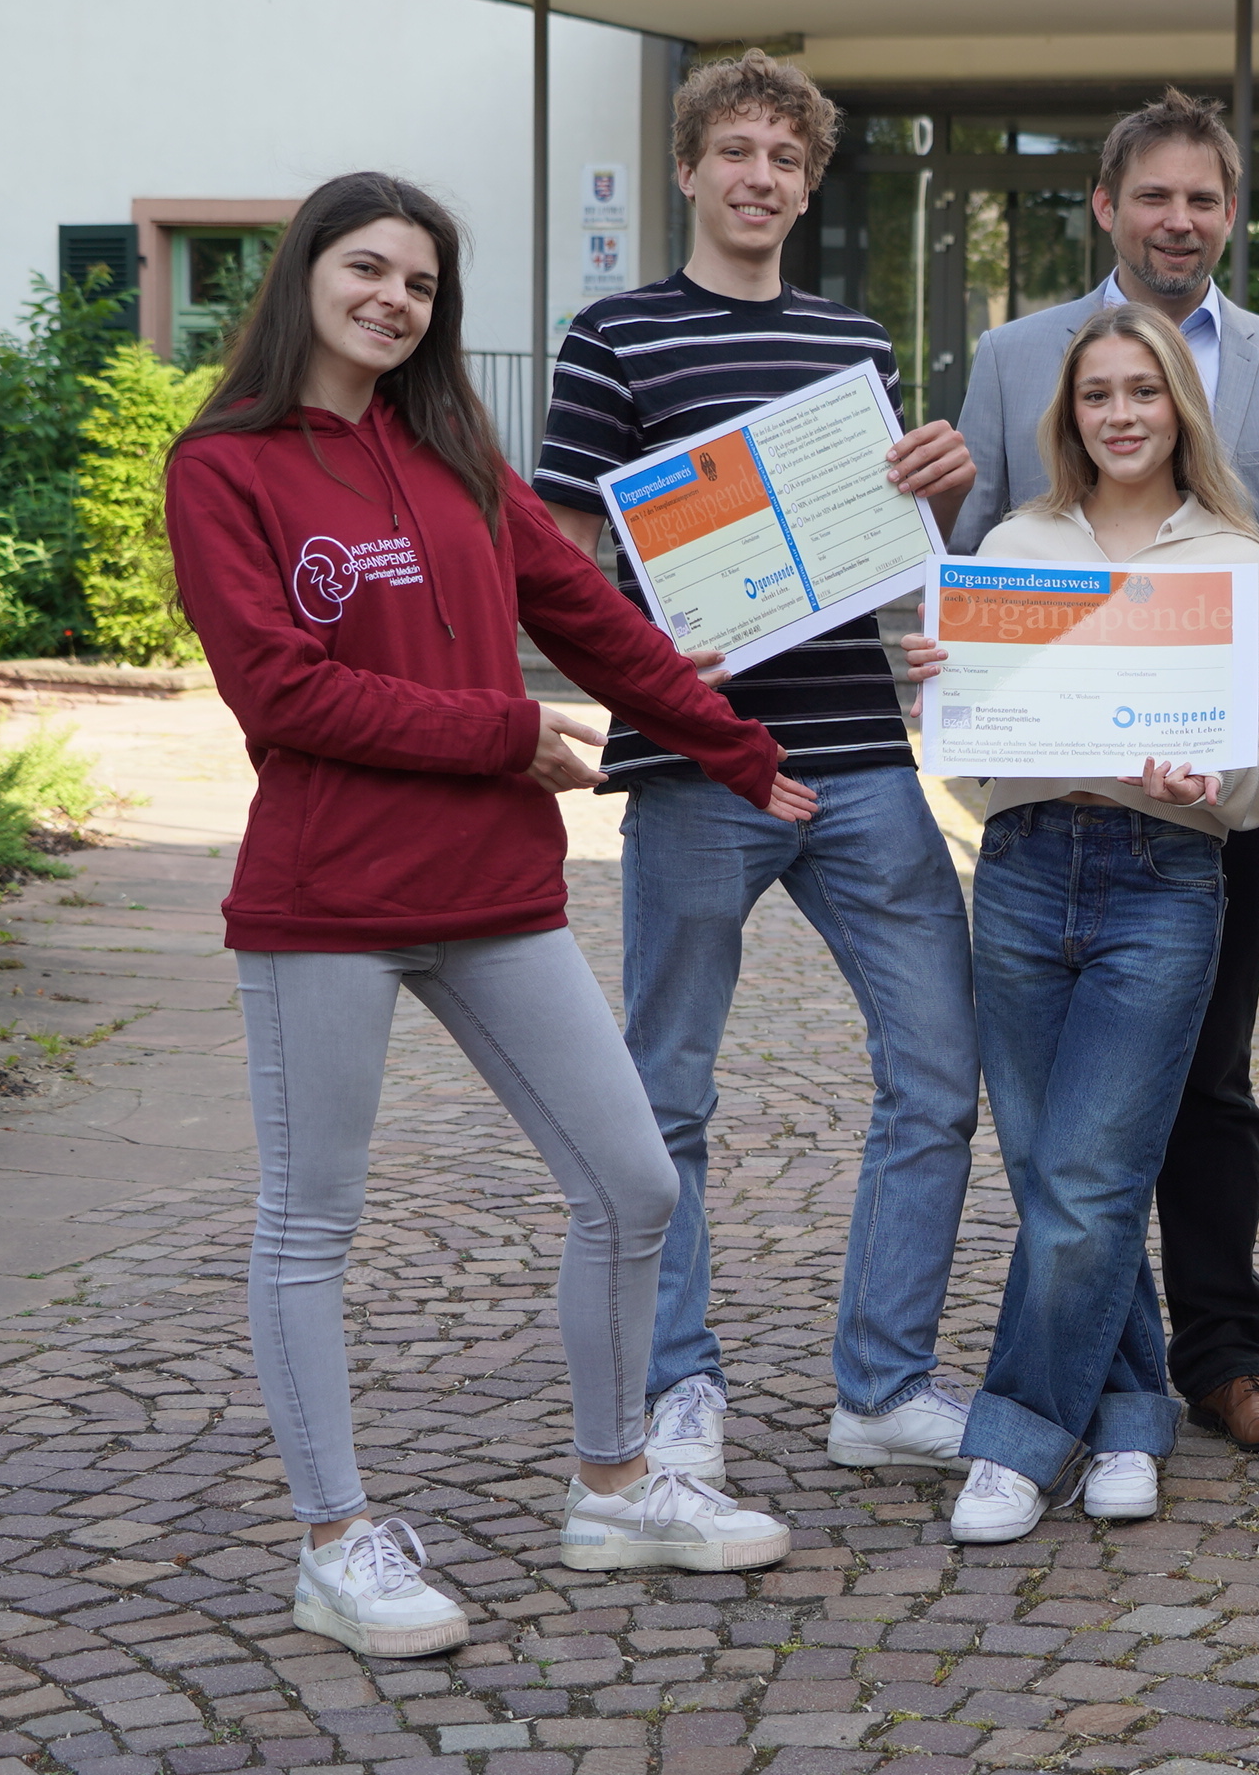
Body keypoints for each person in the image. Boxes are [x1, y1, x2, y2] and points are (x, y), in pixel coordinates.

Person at [166, 173, 819, 1659]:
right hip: (327, 898)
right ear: (306, 277)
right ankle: (335, 1542)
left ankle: (612, 1487)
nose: (394, 300)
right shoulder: (225, 465)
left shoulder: (453, 450)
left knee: (632, 1182)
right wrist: (501, 735)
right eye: (368, 269)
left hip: (495, 892)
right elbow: (276, 689)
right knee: (311, 1221)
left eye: (420, 284)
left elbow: (588, 618)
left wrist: (737, 750)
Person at [533, 52, 983, 1487]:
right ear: (687, 169)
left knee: (938, 1071)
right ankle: (679, 1390)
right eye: (736, 151)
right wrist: (651, 667)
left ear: (809, 181)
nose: (761, 178)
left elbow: (890, 560)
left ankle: (883, 1388)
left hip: (860, 757)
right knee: (667, 1092)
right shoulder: (612, 338)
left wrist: (944, 499)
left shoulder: (852, 346)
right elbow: (557, 560)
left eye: (787, 158)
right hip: (696, 770)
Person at [950, 89, 1259, 1456]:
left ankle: (1225, 1356)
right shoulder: (1014, 358)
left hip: (1217, 794)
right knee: (1069, 1131)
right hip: (1052, 815)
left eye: (1206, 198)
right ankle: (1120, 1397)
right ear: (1108, 207)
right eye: (1155, 196)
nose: (1181, 219)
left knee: (1215, 1082)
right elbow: (982, 568)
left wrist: (1251, 749)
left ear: (1233, 214)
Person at [906, 305, 1259, 1543]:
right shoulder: (1018, 542)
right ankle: (1132, 1408)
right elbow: (971, 765)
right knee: (1048, 1172)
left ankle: (1017, 1438)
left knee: (1088, 1175)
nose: (1121, 413)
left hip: (1166, 873)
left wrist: (1217, 786)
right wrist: (943, 690)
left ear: (1177, 404)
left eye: (1144, 389)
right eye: (1097, 395)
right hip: (1025, 867)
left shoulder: (1232, 559)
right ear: (1068, 414)